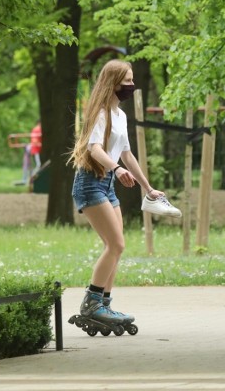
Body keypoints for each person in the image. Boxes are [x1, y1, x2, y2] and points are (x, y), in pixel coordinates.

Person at [68, 59, 181, 327]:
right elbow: (94, 149)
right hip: (90, 181)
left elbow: (128, 154)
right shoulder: (100, 113)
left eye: (132, 80)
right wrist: (116, 169)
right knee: (115, 244)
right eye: (127, 81)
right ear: (113, 83)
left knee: (116, 247)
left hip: (107, 183)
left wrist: (149, 188)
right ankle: (91, 304)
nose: (132, 85)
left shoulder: (120, 115)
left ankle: (104, 305)